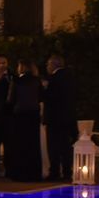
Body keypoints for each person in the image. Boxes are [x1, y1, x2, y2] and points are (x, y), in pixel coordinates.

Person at [7, 60, 43, 182]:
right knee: (33, 144)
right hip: (33, 115)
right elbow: (41, 97)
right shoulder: (37, 81)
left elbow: (10, 99)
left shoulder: (16, 81)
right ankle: (34, 173)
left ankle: (19, 173)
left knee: (19, 144)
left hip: (19, 115)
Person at [42, 53, 76, 181]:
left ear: (53, 64)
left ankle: (54, 172)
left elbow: (50, 98)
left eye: (48, 64)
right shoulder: (70, 77)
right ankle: (67, 172)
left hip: (54, 118)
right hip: (68, 117)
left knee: (54, 147)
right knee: (65, 146)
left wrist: (44, 88)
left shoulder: (53, 79)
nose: (47, 66)